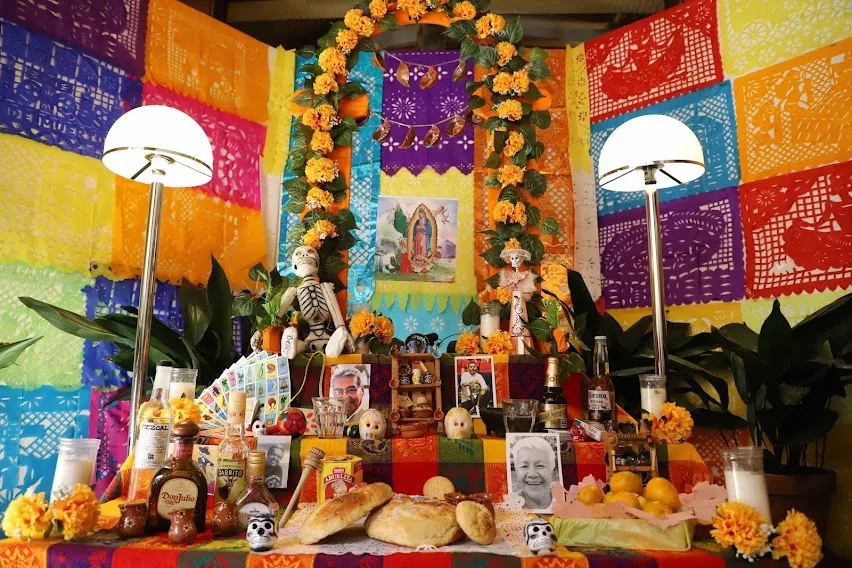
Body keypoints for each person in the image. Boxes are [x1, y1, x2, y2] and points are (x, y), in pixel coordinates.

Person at [511, 436, 557, 511]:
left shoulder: (566, 500)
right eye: (524, 466)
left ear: (552, 467)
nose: (532, 474)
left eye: (540, 465)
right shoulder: (509, 508)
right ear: (516, 469)